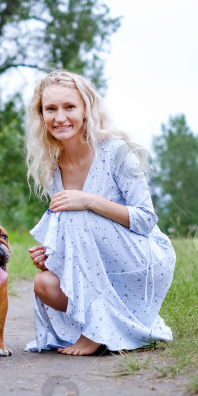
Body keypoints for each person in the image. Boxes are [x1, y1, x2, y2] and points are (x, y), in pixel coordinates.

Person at [25, 70, 176, 356]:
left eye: (70, 107)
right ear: (41, 115)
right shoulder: (52, 167)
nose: (60, 117)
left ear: (86, 110)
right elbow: (77, 240)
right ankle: (110, 327)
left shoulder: (115, 152)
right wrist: (51, 255)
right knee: (43, 283)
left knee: (78, 212)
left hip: (142, 256)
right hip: (101, 268)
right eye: (50, 109)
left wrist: (89, 200)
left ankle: (95, 332)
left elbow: (145, 220)